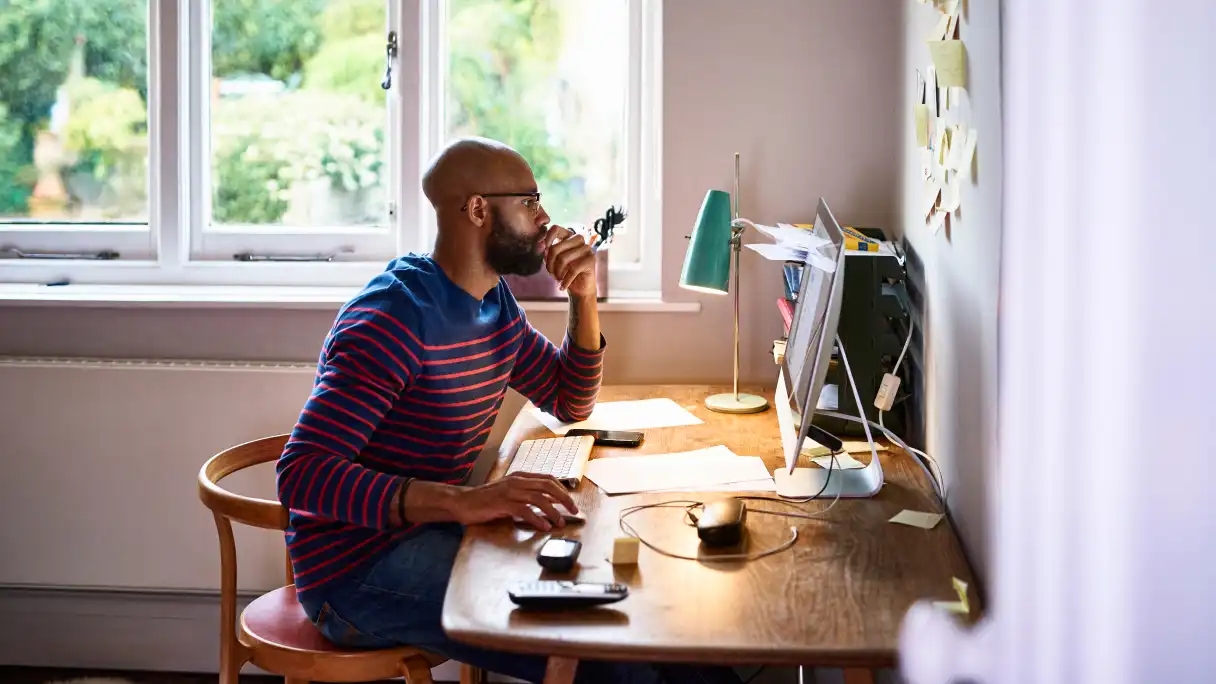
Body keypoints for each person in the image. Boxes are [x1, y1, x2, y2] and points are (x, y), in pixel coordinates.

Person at [275, 137, 743, 684]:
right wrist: (467, 501)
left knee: (658, 625)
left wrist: (584, 294)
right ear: (478, 210)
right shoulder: (393, 320)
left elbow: (570, 401)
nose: (546, 219)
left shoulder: (493, 305)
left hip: (436, 533)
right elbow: (301, 475)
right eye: (530, 201)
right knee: (611, 655)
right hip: (356, 571)